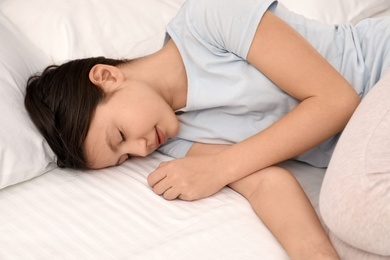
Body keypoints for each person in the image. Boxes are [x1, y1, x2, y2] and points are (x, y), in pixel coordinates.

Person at [24, 0, 390, 259]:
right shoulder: (171, 143)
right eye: (125, 158)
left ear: (106, 76)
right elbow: (266, 184)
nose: (139, 150)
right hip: (370, 136)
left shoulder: (210, 17)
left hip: (380, 72)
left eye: (120, 137)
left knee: (347, 207)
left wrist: (218, 168)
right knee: (352, 245)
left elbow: (337, 100)